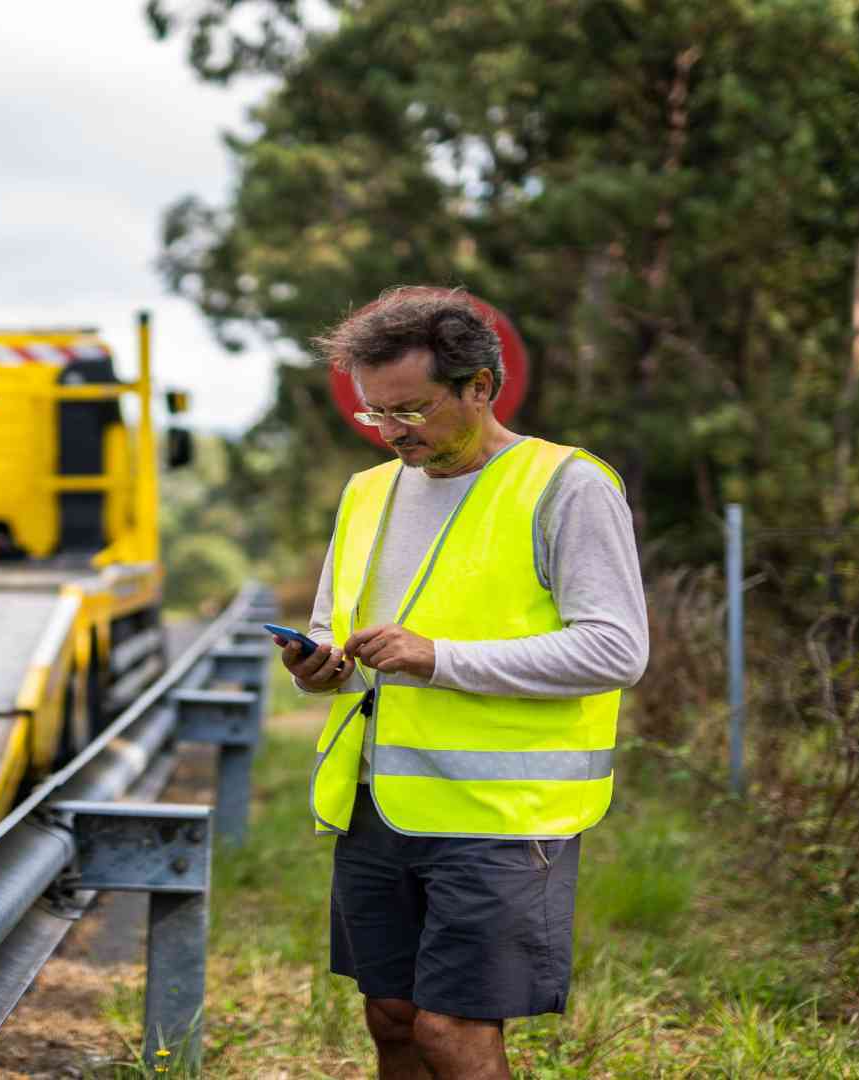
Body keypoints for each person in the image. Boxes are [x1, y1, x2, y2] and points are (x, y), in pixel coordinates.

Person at [277, 286, 648, 1079]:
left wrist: (438, 657)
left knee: (452, 1031)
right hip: (378, 802)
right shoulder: (367, 491)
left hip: (505, 816)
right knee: (394, 1019)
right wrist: (318, 665)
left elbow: (616, 650)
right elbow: (330, 630)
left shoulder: (567, 487)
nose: (391, 433)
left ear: (480, 386)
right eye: (375, 415)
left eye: (409, 411)